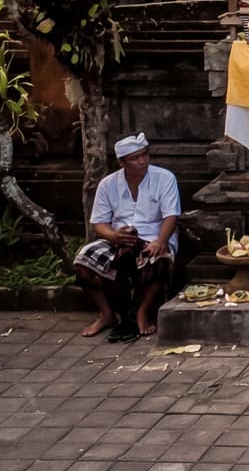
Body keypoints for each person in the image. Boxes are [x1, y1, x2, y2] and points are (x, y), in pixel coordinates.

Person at [72, 133, 181, 341]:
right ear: (121, 162)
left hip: (153, 236)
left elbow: (171, 216)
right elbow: (99, 224)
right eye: (135, 158)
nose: (142, 161)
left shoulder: (164, 178)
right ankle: (107, 315)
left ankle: (142, 313)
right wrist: (114, 235)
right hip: (118, 238)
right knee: (83, 260)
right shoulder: (108, 184)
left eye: (145, 155)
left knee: (159, 260)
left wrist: (161, 240)